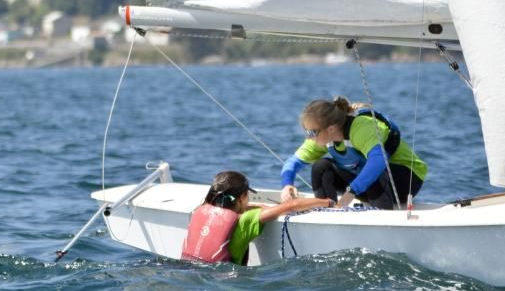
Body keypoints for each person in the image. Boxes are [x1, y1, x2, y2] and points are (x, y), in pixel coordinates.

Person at [279, 96, 427, 210]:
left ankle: (383, 219)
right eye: (306, 132)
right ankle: (328, 213)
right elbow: (293, 163)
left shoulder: (361, 127)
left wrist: (351, 192)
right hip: (368, 184)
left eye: (311, 132)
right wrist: (287, 184)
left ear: (330, 128)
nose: (308, 137)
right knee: (320, 167)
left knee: (372, 169)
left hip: (407, 181)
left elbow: (378, 161)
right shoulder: (322, 138)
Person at [181, 170, 331, 265]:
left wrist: (254, 206)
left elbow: (235, 208)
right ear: (241, 198)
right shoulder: (246, 220)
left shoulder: (201, 209)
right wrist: (328, 202)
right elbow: (291, 206)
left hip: (188, 268)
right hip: (223, 282)